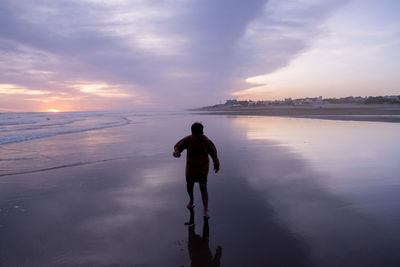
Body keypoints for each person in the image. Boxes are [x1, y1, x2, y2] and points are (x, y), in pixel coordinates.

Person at [173, 122, 220, 218]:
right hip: (190, 168)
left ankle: (205, 210)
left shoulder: (205, 141)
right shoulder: (188, 139)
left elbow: (213, 152)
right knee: (189, 186)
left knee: (203, 188)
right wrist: (177, 152)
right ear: (192, 133)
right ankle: (191, 200)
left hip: (202, 168)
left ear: (202, 133)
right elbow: (177, 146)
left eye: (198, 136)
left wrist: (216, 162)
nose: (195, 138)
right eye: (194, 135)